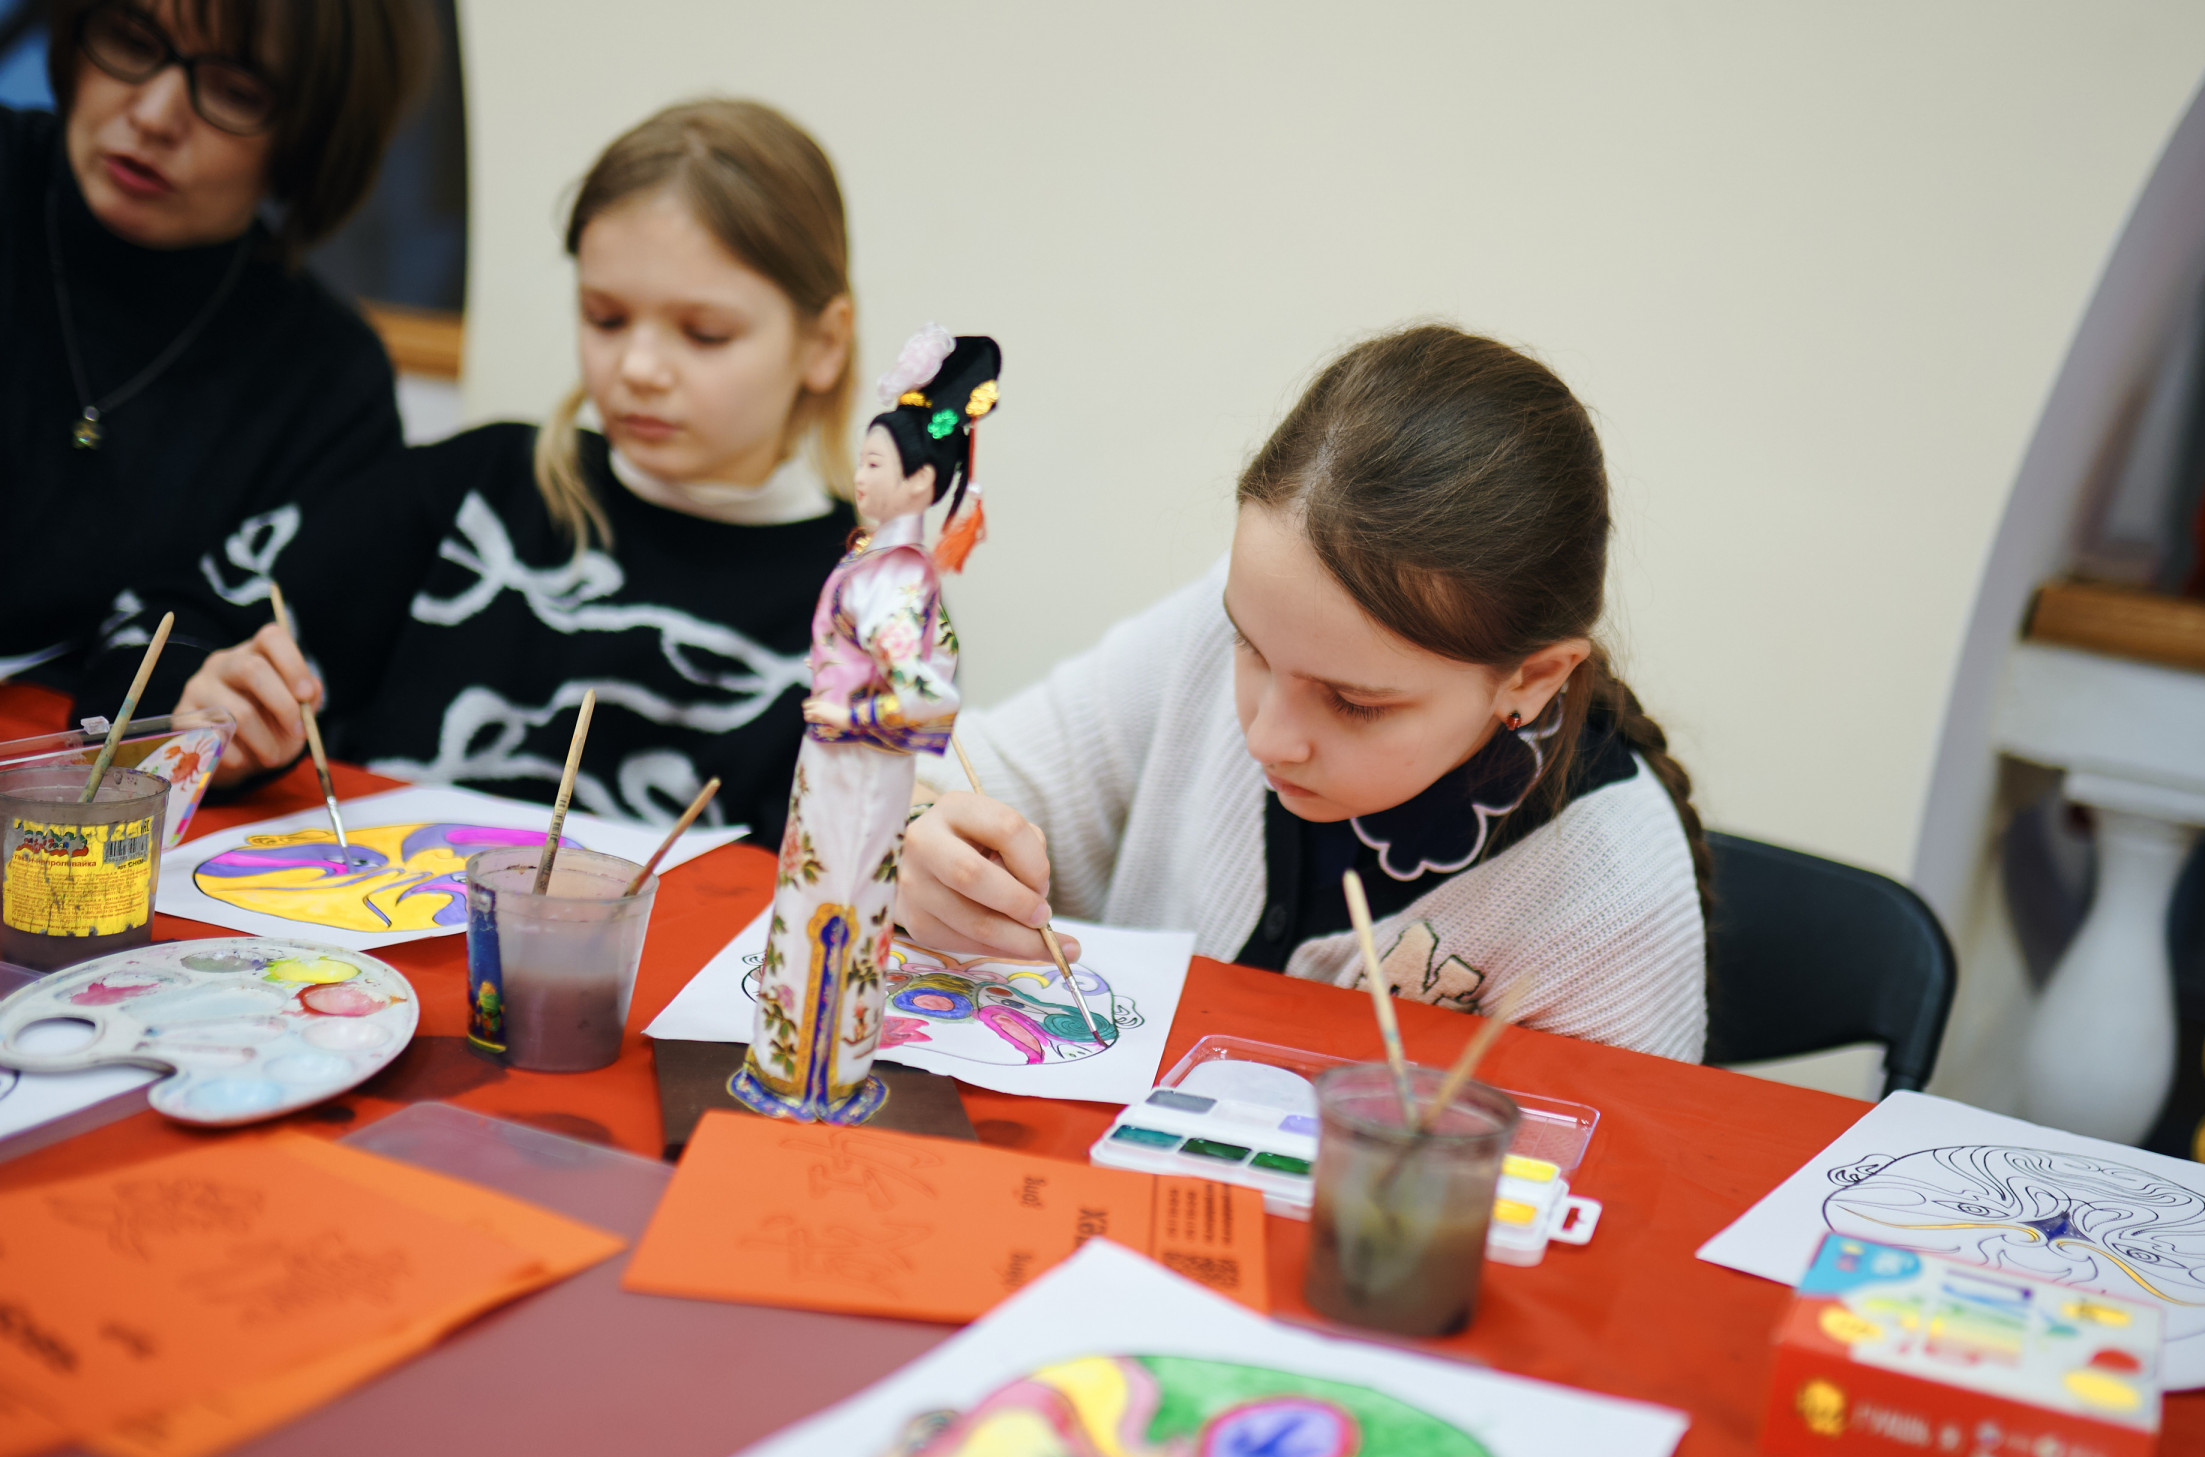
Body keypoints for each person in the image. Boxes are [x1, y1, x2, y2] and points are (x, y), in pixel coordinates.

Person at [898, 325, 1710, 1056]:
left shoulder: (1610, 910)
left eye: (1355, 703)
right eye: (1248, 648)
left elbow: (1597, 1169)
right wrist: (912, 839)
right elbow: (950, 778)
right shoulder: (1255, 615)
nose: (1266, 739)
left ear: (1530, 678)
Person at [167, 99, 860, 843]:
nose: (638, 368)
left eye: (705, 333)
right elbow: (175, 620)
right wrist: (210, 716)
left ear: (824, 344)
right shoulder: (472, 493)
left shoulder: (864, 604)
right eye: (605, 318)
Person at [0, 0, 424, 710]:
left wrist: (224, 702)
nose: (154, 115)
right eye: (132, 43)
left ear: (309, 140)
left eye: (235, 91)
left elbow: (277, 661)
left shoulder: (329, 383)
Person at [739, 329, 998, 1124]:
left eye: (878, 464)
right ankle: (808, 1067)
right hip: (846, 761)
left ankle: (813, 1076)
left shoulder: (893, 580)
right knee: (823, 901)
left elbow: (924, 692)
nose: (861, 476)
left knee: (834, 904)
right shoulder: (880, 564)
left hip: (856, 763)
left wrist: (847, 712)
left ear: (921, 481)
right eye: (863, 460)